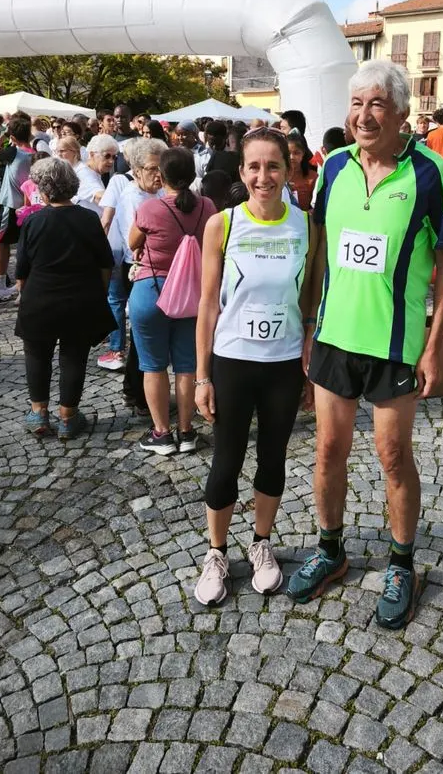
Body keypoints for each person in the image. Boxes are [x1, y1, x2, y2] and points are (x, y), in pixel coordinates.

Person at [287, 62, 443, 629]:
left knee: (393, 457)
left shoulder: (430, 172)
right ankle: (331, 551)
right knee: (327, 452)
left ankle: (402, 565)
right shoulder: (333, 167)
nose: (364, 115)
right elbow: (319, 251)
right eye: (357, 103)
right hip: (334, 337)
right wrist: (307, 325)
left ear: (402, 113)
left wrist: (434, 346)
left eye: (377, 104)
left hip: (395, 344)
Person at [193, 128, 315, 605]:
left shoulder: (307, 226)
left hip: (283, 362)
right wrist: (202, 376)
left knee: (273, 457)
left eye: (273, 166)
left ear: (289, 169)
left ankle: (262, 543)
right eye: (255, 167)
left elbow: (310, 296)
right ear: (242, 172)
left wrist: (309, 346)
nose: (264, 177)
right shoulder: (222, 224)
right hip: (232, 360)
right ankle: (216, 551)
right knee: (226, 460)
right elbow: (207, 304)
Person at [15, 158, 115, 438]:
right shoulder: (89, 219)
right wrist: (100, 293)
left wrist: (24, 295)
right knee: (74, 356)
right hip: (80, 298)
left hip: (39, 298)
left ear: (44, 190)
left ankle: (39, 413)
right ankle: (68, 418)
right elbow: (105, 263)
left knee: (37, 354)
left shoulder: (33, 221)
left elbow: (22, 270)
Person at [128, 147, 216, 455]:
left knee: (153, 367)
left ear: (161, 176)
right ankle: (187, 432)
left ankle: (161, 434)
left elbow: (132, 241)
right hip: (194, 293)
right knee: (187, 365)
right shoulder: (207, 206)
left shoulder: (150, 208)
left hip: (152, 289)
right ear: (193, 175)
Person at [98, 139, 165, 378]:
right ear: (136, 171)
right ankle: (134, 376)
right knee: (139, 323)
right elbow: (133, 240)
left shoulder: (160, 191)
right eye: (152, 169)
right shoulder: (132, 196)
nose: (158, 174)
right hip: (136, 265)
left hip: (157, 264)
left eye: (161, 168)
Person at [0, 118, 36, 304]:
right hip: (29, 205)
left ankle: (0, 284)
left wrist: (3, 136)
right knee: (24, 247)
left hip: (11, 205)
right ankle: (23, 285)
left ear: (12, 137)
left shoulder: (13, 151)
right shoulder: (35, 153)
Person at [73, 134, 119, 214]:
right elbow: (100, 196)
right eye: (107, 156)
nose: (111, 161)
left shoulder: (92, 171)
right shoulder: (84, 173)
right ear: (92, 154)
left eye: (114, 157)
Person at [287, 132, 316, 211]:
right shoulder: (278, 176)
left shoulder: (313, 177)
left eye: (296, 153)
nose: (292, 157)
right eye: (288, 153)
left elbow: (316, 204)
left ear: (303, 153)